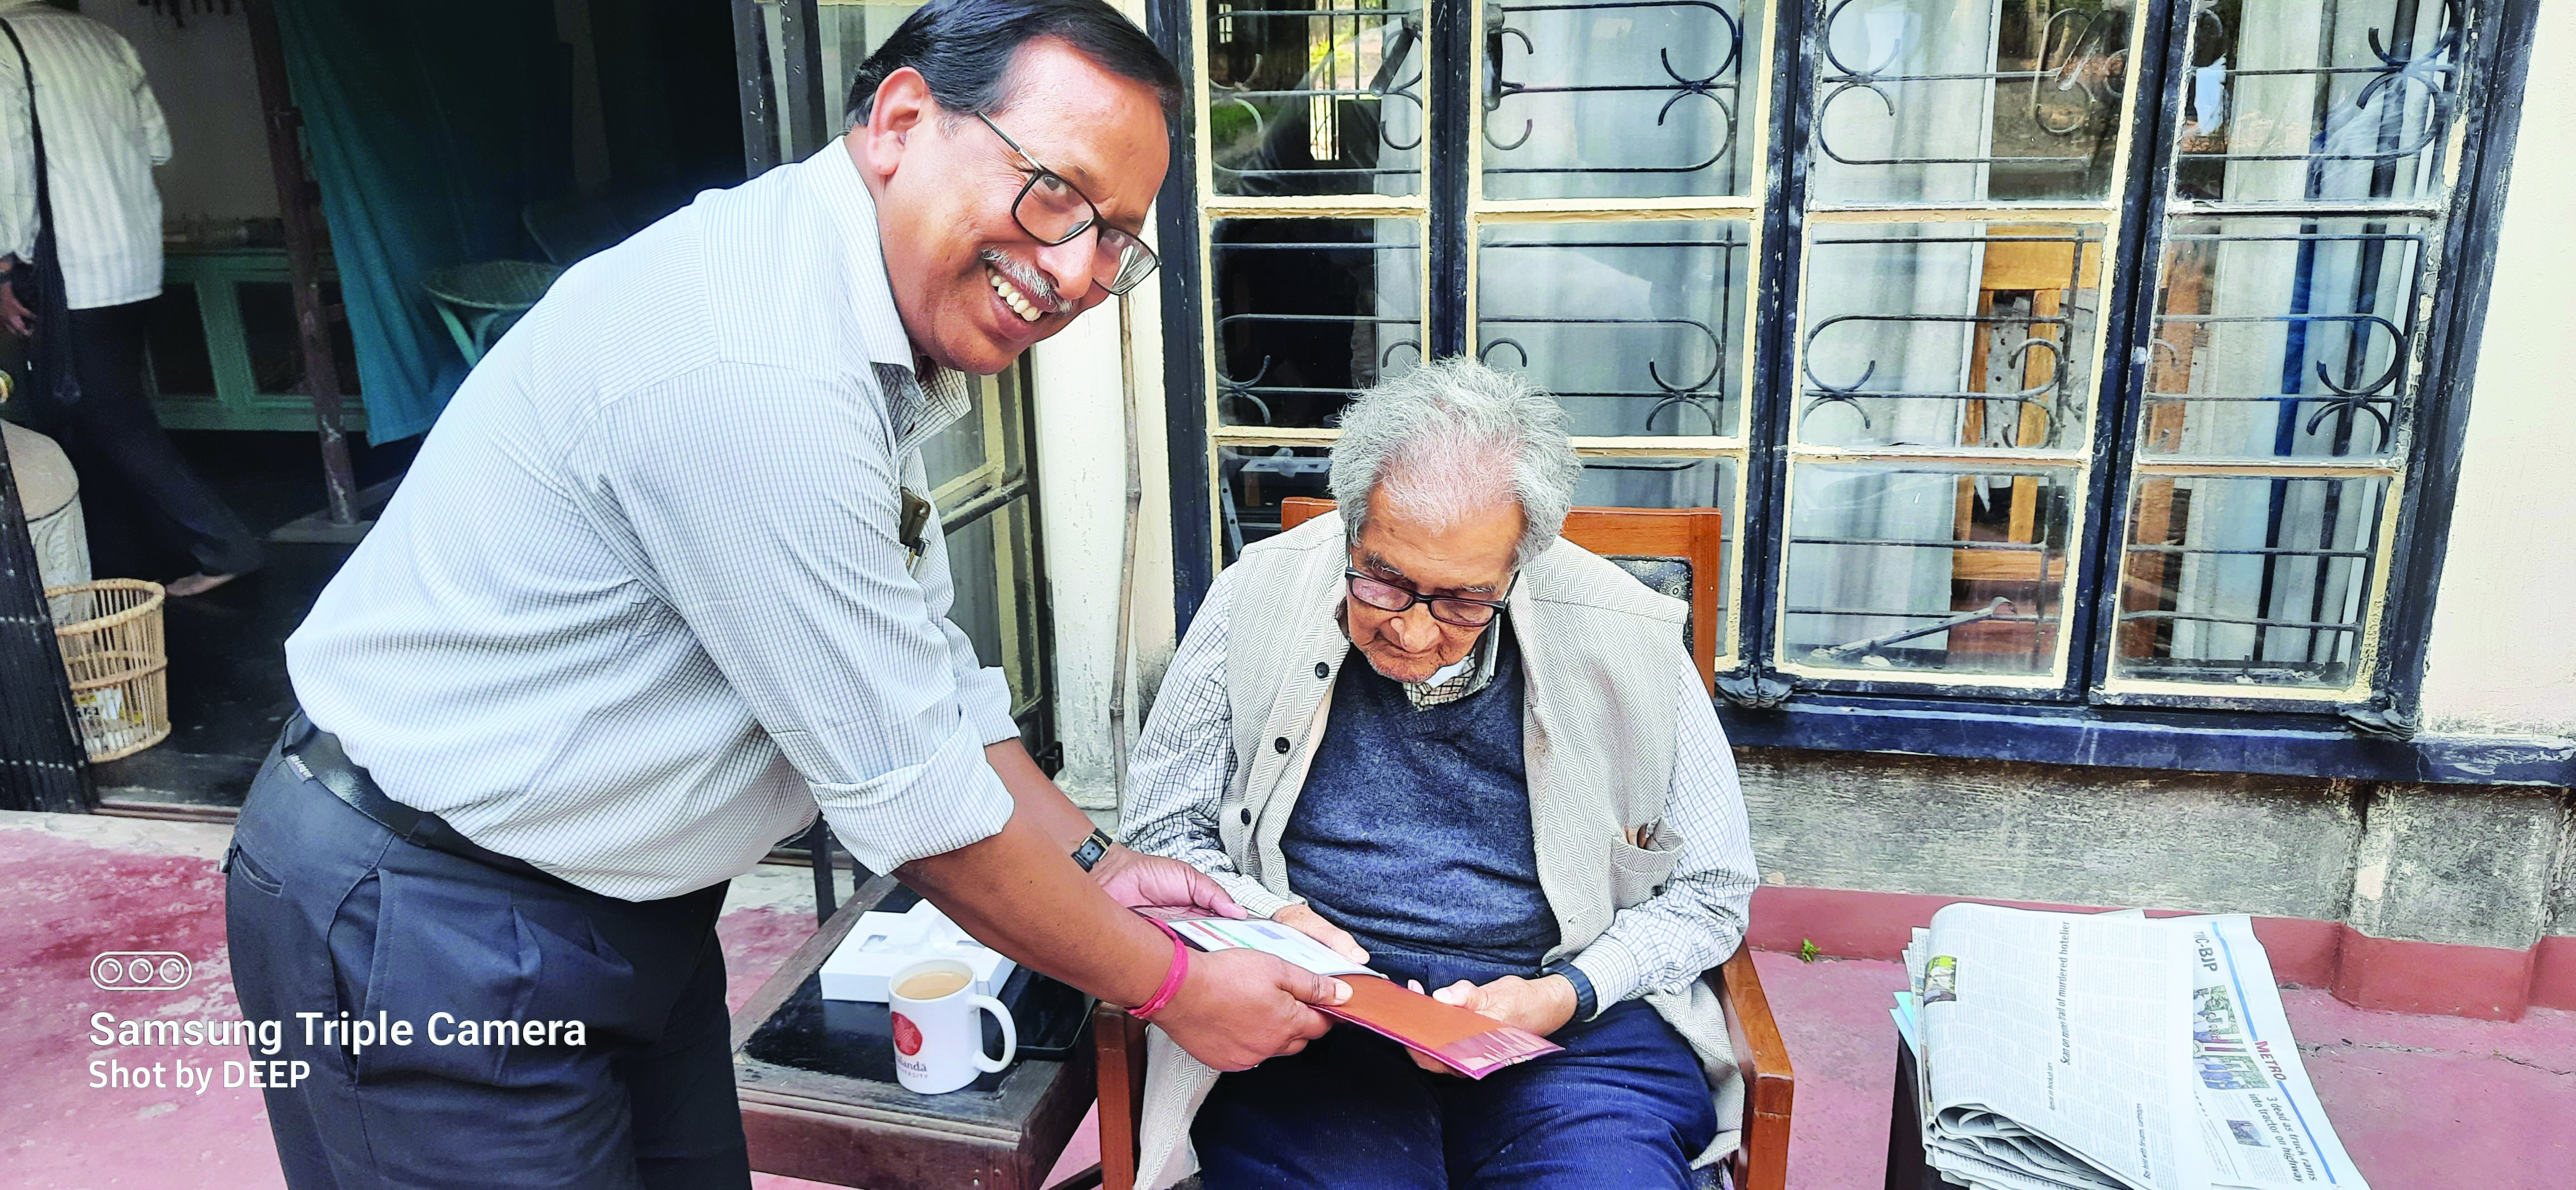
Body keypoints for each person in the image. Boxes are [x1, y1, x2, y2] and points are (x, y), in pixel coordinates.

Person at [225, 3, 1346, 1186]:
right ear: (901, 122)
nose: (1075, 272)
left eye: (1115, 237)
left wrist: (1096, 868)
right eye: (1054, 194)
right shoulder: (758, 365)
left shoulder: (846, 311)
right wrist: (1174, 987)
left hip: (619, 910)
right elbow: (921, 815)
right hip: (427, 916)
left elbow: (930, 680)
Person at [1121, 358, 1762, 1189]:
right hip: (1318, 1018)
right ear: (1350, 529)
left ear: (1522, 565)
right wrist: (1272, 915)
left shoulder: (1625, 632)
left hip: (1567, 1026)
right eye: (1383, 582)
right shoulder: (1258, 595)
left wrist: (1567, 993)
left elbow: (1712, 890)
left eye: (1463, 601)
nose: (1415, 635)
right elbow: (1162, 834)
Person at [0, 0, 260, 596]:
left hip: (70, 265)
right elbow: (158, 146)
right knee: (101, 412)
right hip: (134, 254)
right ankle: (126, 560)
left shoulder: (5, 45)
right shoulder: (104, 38)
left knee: (108, 419)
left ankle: (227, 547)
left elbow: (8, 167)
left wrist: (2, 268)